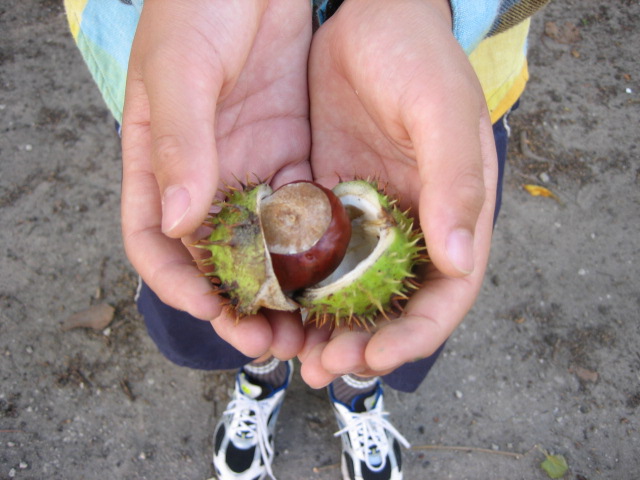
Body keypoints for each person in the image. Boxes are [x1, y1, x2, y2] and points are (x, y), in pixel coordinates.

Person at [64, 0, 550, 478]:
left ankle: (357, 384)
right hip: (190, 85)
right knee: (212, 293)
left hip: (432, 85)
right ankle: (260, 369)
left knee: (383, 327)